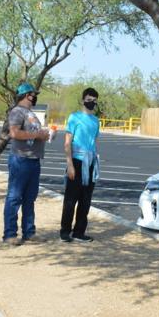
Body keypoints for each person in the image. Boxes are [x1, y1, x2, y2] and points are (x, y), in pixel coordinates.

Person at [3, 83, 49, 246]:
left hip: (33, 160)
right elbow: (14, 133)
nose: (35, 97)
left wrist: (45, 135)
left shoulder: (31, 113)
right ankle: (9, 234)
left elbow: (34, 133)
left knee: (30, 198)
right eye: (33, 94)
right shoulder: (17, 111)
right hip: (20, 160)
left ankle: (29, 232)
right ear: (26, 95)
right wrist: (37, 135)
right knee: (14, 197)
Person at [60, 87, 100, 243]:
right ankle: (65, 231)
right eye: (89, 100)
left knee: (86, 199)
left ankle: (79, 232)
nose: (92, 103)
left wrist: (95, 163)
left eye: (94, 101)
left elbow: (95, 143)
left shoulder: (96, 121)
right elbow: (67, 142)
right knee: (71, 198)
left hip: (90, 163)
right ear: (83, 100)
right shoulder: (74, 117)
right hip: (76, 161)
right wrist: (69, 164)